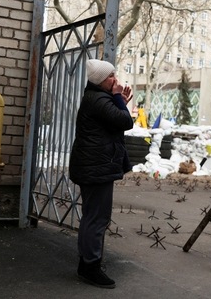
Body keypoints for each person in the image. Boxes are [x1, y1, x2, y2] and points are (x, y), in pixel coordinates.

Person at [69, 59, 133, 289]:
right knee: (97, 218)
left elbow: (114, 124)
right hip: (96, 168)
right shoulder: (98, 99)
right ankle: (89, 267)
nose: (115, 80)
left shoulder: (97, 98)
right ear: (99, 80)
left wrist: (119, 100)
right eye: (110, 76)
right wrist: (118, 99)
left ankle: (87, 263)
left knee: (93, 216)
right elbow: (126, 122)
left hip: (94, 166)